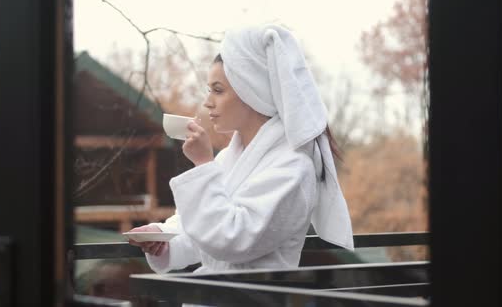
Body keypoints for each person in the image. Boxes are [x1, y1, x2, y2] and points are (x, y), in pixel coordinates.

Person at [128, 25, 353, 274]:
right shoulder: (229, 159)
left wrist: (203, 164)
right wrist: (164, 236)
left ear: (253, 91)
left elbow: (230, 239)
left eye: (218, 90)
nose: (207, 101)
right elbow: (201, 231)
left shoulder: (294, 169)